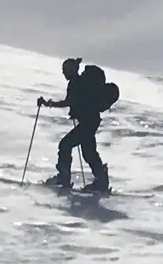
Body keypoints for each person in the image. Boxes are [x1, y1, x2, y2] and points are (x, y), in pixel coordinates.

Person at [37, 58, 117, 193]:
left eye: (65, 70)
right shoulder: (80, 82)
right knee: (88, 152)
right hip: (90, 121)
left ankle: (64, 177)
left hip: (88, 122)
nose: (64, 73)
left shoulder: (76, 83)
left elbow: (69, 101)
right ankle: (101, 181)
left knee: (65, 145)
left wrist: (48, 104)